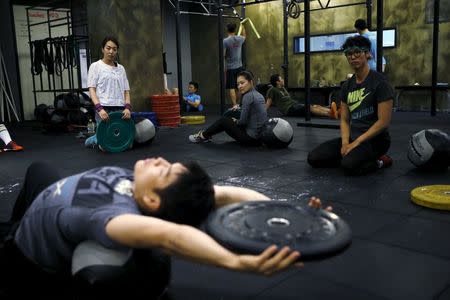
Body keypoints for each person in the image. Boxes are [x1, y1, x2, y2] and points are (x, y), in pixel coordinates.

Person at [0, 157, 328, 297]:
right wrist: (290, 214)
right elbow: (227, 194)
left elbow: (172, 236)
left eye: (165, 171)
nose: (160, 160)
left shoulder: (115, 219)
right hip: (43, 201)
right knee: (39, 168)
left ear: (154, 202)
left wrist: (237, 262)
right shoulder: (141, 187)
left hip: (24, 256)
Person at [307, 35, 394, 176]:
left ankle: (381, 161)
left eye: (357, 52)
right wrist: (345, 143)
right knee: (313, 158)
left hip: (376, 141)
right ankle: (351, 158)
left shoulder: (380, 82)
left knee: (349, 166)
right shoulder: (347, 85)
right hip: (353, 137)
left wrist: (356, 143)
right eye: (349, 54)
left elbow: (383, 122)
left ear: (367, 54)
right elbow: (345, 119)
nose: (353, 57)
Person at [189, 71, 267, 146]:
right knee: (230, 116)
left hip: (250, 139)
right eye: (238, 84)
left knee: (224, 120)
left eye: (242, 83)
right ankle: (206, 135)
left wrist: (236, 121)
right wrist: (239, 108)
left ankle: (202, 136)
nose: (239, 86)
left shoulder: (248, 96)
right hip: (260, 138)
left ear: (250, 82)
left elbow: (242, 122)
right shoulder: (258, 95)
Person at [85, 36, 132, 148]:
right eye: (108, 48)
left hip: (120, 109)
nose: (111, 51)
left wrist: (127, 108)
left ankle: (99, 136)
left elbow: (126, 90)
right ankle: (93, 139)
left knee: (126, 144)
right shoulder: (95, 66)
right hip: (104, 109)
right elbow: (92, 89)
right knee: (106, 146)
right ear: (103, 49)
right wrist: (99, 109)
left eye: (114, 49)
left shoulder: (121, 68)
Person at [266, 74, 339, 119]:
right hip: (289, 110)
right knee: (309, 108)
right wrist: (261, 114)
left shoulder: (282, 88)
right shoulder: (272, 90)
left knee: (315, 106)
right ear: (277, 82)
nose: (283, 80)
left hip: (294, 105)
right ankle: (330, 114)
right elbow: (267, 104)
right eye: (281, 79)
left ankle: (336, 112)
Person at [223, 22, 246, 109]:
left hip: (230, 67)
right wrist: (242, 25)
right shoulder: (240, 39)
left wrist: (226, 56)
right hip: (239, 66)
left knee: (232, 87)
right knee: (239, 86)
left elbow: (224, 54)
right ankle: (237, 104)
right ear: (235, 29)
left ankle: (235, 105)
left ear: (227, 29)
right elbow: (244, 34)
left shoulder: (225, 41)